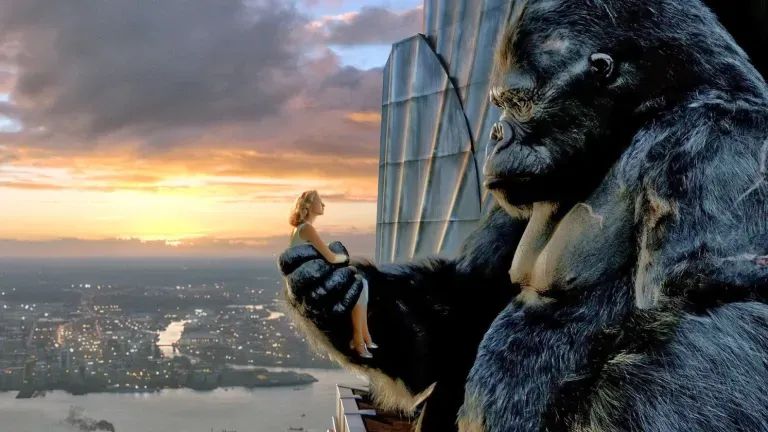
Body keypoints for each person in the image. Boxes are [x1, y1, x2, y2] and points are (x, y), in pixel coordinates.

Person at [288, 190, 377, 358]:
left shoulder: (297, 230)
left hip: (307, 283)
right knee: (359, 283)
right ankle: (359, 340)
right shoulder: (307, 228)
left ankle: (364, 337)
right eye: (319, 201)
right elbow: (330, 257)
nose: (323, 204)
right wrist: (343, 256)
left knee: (362, 284)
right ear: (308, 206)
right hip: (312, 286)